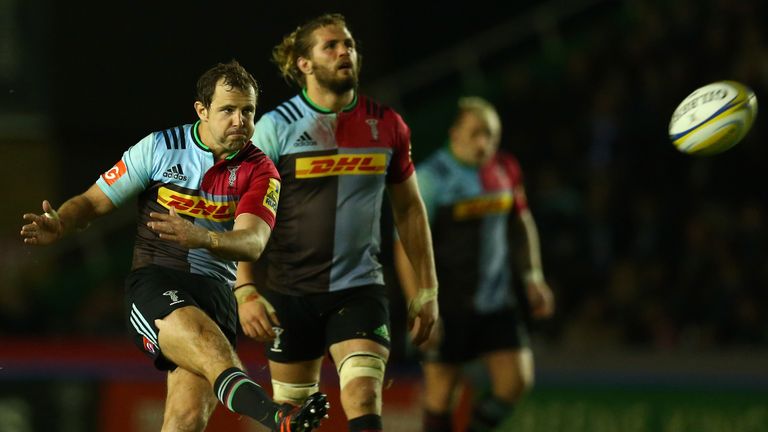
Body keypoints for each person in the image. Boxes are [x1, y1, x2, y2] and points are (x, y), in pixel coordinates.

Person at [20, 60, 328, 432]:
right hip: (155, 284)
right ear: (202, 110)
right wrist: (62, 222)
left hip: (216, 296)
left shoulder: (261, 170)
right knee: (205, 341)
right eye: (228, 110)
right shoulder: (160, 148)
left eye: (247, 111)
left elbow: (253, 242)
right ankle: (278, 417)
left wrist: (202, 237)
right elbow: (92, 202)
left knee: (184, 421)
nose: (240, 121)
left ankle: (279, 418)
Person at [235, 13, 439, 432]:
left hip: (359, 289)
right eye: (331, 46)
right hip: (290, 295)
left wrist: (428, 287)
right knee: (296, 419)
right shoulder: (275, 128)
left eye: (349, 44)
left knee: (363, 394)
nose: (345, 51)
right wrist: (245, 289)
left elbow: (410, 210)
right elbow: (241, 212)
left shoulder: (387, 125)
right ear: (303, 63)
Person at [393, 96, 555, 432]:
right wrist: (419, 303)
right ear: (455, 134)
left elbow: (522, 224)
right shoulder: (430, 178)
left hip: (497, 301)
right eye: (476, 133)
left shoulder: (505, 168)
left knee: (516, 381)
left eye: (491, 135)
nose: (484, 143)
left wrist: (533, 275)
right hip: (448, 303)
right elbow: (405, 247)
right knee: (442, 393)